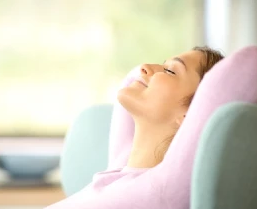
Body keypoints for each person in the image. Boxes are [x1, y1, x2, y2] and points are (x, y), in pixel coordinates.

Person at [46, 46, 226, 209]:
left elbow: (247, 62)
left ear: (193, 114)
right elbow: (133, 75)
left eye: (170, 71)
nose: (144, 68)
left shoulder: (162, 193)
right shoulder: (114, 176)